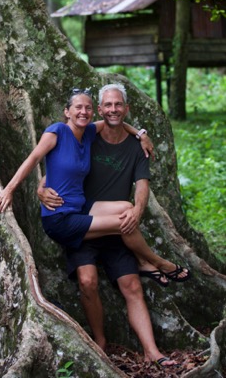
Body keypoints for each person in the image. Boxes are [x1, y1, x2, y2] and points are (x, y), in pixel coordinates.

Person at [38, 83, 190, 368]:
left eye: (118, 105)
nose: (113, 110)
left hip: (119, 225)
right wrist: (40, 186)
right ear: (99, 109)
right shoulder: (88, 135)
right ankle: (100, 340)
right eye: (107, 105)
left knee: (132, 285)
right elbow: (59, 163)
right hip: (81, 222)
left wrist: (138, 212)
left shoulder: (136, 148)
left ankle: (152, 352)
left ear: (126, 108)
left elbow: (142, 186)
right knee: (87, 281)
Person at [0, 87, 181, 282]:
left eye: (88, 108)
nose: (83, 112)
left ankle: (143, 262)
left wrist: (141, 134)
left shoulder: (88, 134)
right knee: (124, 222)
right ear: (67, 112)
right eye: (78, 107)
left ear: (94, 112)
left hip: (78, 209)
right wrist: (9, 189)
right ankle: (157, 262)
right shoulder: (57, 132)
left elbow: (116, 121)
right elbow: (33, 159)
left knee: (128, 208)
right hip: (60, 218)